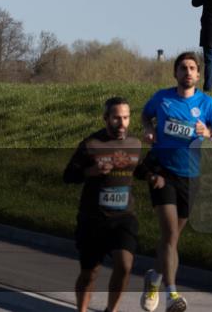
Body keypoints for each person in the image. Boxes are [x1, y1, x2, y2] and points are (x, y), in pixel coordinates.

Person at [139, 52, 212, 312]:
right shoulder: (162, 98)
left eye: (192, 68)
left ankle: (154, 279)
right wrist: (147, 128)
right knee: (169, 234)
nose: (188, 72)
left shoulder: (208, 105)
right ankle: (172, 295)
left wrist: (210, 133)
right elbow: (145, 116)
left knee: (172, 240)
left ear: (199, 75)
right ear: (175, 73)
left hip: (190, 177)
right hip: (162, 172)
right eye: (183, 68)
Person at [64, 97, 149, 312]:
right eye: (116, 118)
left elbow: (138, 168)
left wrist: (152, 176)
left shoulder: (135, 144)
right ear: (106, 119)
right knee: (89, 272)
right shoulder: (91, 144)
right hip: (93, 217)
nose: (122, 124)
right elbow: (68, 176)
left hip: (123, 217)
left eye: (126, 118)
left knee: (125, 265)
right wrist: (90, 172)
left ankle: (111, 310)